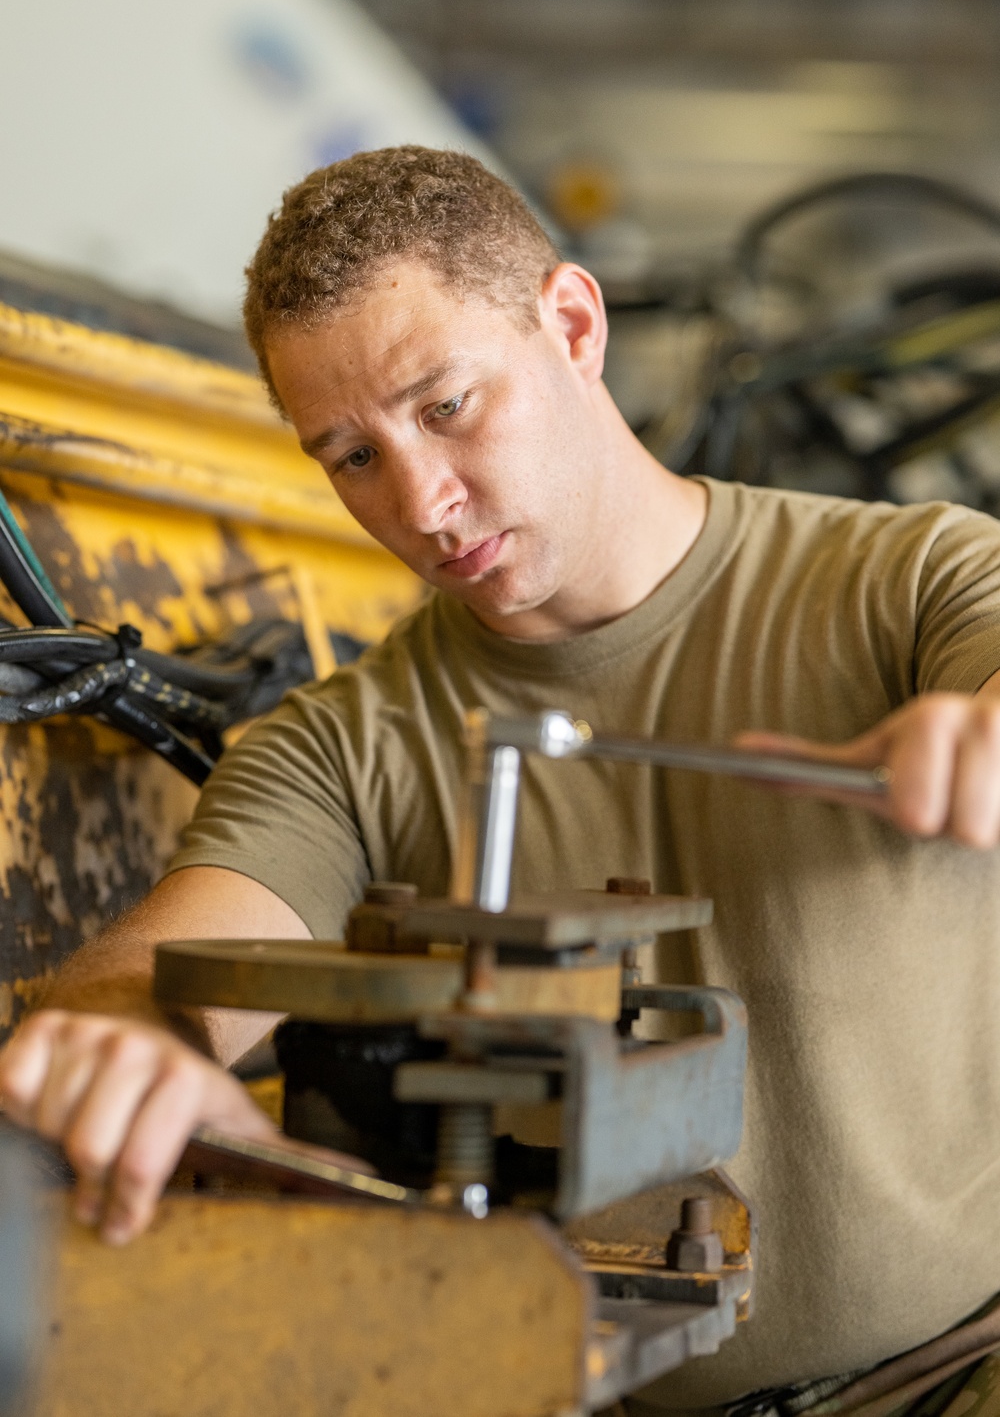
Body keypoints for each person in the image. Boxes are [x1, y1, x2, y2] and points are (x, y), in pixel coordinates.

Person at [4, 146, 1000, 1414]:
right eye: (350, 458)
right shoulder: (348, 744)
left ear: (572, 326)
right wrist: (124, 1055)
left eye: (444, 407)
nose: (420, 502)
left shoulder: (906, 582)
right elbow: (143, 979)